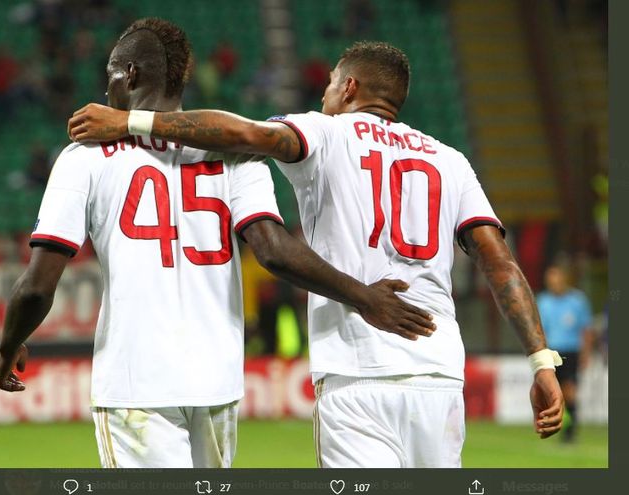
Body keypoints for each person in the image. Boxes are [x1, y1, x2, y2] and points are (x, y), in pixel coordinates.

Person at [67, 40, 565, 468]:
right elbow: (501, 264)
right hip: (437, 375)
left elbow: (245, 135)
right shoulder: (451, 162)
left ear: (348, 88)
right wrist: (541, 361)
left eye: (330, 83)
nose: (324, 93)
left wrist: (129, 121)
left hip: (356, 372)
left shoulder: (323, 132)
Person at [0, 20, 435, 469]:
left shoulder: (83, 156)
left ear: (129, 74)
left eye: (109, 75)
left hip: (135, 381)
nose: (105, 89)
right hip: (217, 383)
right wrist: (362, 295)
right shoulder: (236, 155)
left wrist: (9, 346)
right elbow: (274, 251)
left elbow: (37, 286)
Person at [537, 263, 594, 442]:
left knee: (569, 390)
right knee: (554, 392)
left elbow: (586, 330)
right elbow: (538, 330)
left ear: (564, 279)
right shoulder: (543, 301)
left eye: (556, 278)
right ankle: (559, 424)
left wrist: (586, 354)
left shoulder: (577, 300)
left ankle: (572, 427)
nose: (553, 282)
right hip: (550, 352)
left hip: (570, 351)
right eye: (550, 279)